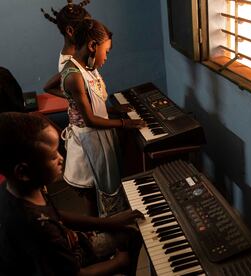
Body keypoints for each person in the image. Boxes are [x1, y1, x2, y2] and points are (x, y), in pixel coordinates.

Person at [0, 112, 144, 276]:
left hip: (71, 244)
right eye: (53, 156)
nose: (61, 158)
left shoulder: (18, 187)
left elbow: (57, 215)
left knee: (131, 227)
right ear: (23, 172)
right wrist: (119, 262)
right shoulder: (38, 227)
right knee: (133, 235)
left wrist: (109, 222)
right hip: (70, 262)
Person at [60, 18, 145, 217]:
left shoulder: (87, 67)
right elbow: (90, 119)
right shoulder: (73, 75)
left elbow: (92, 105)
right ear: (92, 46)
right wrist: (125, 123)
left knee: (104, 187)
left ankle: (108, 226)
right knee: (96, 190)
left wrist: (115, 111)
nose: (106, 57)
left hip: (100, 135)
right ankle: (101, 233)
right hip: (89, 139)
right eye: (105, 52)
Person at [42, 0, 92, 97]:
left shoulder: (80, 53)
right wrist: (73, 97)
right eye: (87, 27)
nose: (91, 31)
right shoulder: (68, 64)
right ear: (70, 31)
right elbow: (84, 99)